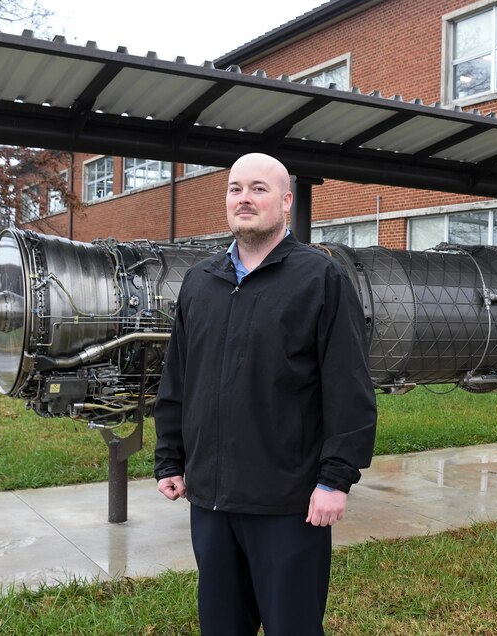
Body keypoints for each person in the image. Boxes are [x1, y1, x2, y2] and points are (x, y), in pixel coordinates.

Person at [153, 152, 377, 635]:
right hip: (210, 501)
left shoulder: (321, 279)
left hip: (288, 503)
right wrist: (170, 457)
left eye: (259, 188)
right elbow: (179, 378)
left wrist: (335, 479)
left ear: (286, 201)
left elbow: (349, 387)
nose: (245, 199)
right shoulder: (200, 282)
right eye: (235, 189)